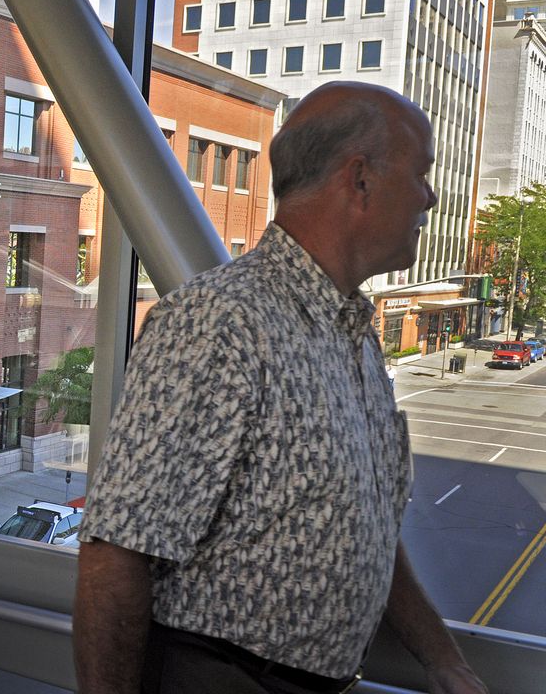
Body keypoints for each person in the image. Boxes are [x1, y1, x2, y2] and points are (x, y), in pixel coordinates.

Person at [73, 82, 487, 694]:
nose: (430, 197)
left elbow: (362, 525)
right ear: (361, 179)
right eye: (421, 173)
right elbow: (116, 555)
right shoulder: (219, 324)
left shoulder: (353, 332)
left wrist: (442, 658)